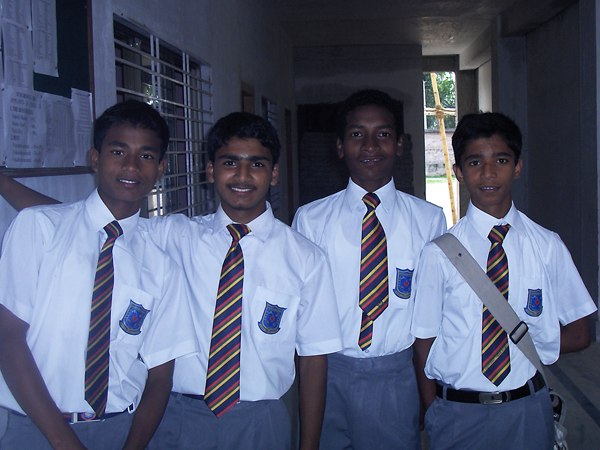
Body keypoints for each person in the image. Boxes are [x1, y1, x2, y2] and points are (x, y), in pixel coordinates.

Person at [0, 112, 342, 449]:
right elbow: (90, 223)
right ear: (210, 170)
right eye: (229, 163)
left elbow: (314, 357)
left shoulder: (306, 257)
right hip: (176, 417)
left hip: (258, 419)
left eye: (256, 164)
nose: (242, 175)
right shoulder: (176, 235)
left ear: (274, 173)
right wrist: (11, 190)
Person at [0, 100, 198, 449]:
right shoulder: (39, 228)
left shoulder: (161, 265)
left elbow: (160, 376)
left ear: (161, 168)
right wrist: (65, 442)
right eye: (118, 152)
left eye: (146, 156)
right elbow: (8, 338)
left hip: (118, 431)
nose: (131, 166)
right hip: (34, 429)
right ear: (95, 158)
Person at [411, 112, 597, 449]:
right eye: (474, 162)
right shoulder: (438, 254)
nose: (488, 172)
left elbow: (581, 332)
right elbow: (424, 341)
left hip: (527, 409)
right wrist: (433, 409)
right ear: (459, 172)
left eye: (500, 160)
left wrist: (532, 342)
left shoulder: (546, 246)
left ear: (518, 167)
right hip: (457, 414)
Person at [292, 89, 447, 449]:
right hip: (326, 374)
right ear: (340, 146)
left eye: (383, 134)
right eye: (357, 134)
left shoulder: (429, 220)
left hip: (396, 375)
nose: (370, 146)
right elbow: (304, 312)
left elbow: (430, 315)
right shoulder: (310, 220)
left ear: (400, 144)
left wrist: (427, 391)